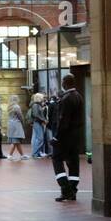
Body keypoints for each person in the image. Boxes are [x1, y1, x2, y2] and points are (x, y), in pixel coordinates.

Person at [51, 74, 85, 203]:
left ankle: (65, 189)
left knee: (56, 159)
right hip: (76, 137)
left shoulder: (66, 99)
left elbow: (63, 121)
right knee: (73, 163)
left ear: (65, 83)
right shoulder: (79, 97)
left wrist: (56, 138)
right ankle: (73, 190)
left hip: (65, 137)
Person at [6, 96, 27, 160]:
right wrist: (23, 122)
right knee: (15, 141)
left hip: (10, 124)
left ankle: (22, 155)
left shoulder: (9, 107)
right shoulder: (16, 106)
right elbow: (20, 115)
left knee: (17, 141)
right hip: (16, 124)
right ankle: (10, 155)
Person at [29, 92, 49, 159]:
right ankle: (35, 153)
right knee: (40, 138)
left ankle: (36, 153)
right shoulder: (36, 105)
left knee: (39, 138)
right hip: (37, 123)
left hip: (38, 122)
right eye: (42, 97)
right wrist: (44, 120)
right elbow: (36, 115)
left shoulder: (37, 105)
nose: (43, 98)